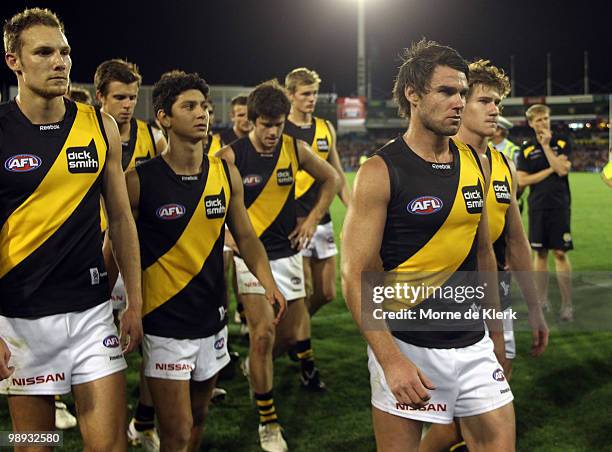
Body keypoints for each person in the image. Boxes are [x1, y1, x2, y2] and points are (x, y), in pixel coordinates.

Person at [341, 39, 514, 452]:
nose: (459, 102)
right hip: (406, 346)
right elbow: (355, 275)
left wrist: (497, 334)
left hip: (473, 346)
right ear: (413, 95)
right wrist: (390, 360)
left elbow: (484, 253)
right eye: (447, 91)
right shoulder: (379, 171)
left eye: (462, 92)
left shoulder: (476, 161)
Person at [0, 8, 142, 451]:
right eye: (43, 52)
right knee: (35, 445)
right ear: (14, 61)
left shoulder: (99, 124)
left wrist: (134, 302)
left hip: (90, 316)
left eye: (64, 51)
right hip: (21, 324)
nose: (59, 61)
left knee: (108, 446)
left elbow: (120, 219)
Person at [128, 70, 285, 452]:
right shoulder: (139, 180)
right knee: (178, 431)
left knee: (198, 420)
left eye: (204, 105)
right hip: (164, 322)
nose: (202, 113)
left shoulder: (224, 173)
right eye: (189, 106)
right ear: (163, 116)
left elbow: (246, 237)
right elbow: (116, 245)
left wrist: (269, 282)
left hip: (212, 318)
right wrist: (121, 304)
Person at [421, 59, 549, 452]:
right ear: (461, 105)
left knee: (489, 398)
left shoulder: (502, 164)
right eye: (485, 101)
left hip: (493, 289)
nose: (495, 110)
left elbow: (515, 241)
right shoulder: (436, 161)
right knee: (453, 413)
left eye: (498, 102)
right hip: (442, 298)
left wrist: (535, 306)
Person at [217, 80, 340, 451]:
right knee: (263, 335)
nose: (272, 132)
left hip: (289, 255)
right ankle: (268, 422)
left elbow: (332, 179)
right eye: (266, 124)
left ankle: (255, 366)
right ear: (251, 122)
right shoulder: (230, 157)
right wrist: (226, 235)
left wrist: (313, 218)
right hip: (252, 261)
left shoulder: (296, 149)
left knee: (290, 337)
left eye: (278, 124)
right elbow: (208, 200)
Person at [95, 57, 165, 449]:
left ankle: (143, 421)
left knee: (149, 343)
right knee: (99, 345)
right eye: (119, 97)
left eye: (132, 97)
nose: (126, 105)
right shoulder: (84, 132)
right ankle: (56, 402)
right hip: (91, 253)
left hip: (139, 252)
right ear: (99, 96)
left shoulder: (152, 138)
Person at [284, 67, 351, 317]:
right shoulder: (281, 130)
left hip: (322, 219)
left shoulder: (326, 128)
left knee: (326, 293)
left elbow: (338, 174)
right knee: (302, 289)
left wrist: (355, 211)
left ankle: (294, 329)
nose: (311, 98)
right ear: (291, 95)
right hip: (294, 222)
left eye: (314, 93)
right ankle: (301, 345)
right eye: (305, 94)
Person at [516, 104, 573, 320]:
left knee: (560, 253)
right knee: (540, 253)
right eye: (539, 120)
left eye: (546, 118)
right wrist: (551, 167)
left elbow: (563, 169)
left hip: (560, 205)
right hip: (538, 206)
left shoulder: (562, 142)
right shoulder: (527, 148)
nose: (543, 122)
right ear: (531, 123)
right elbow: (522, 180)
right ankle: (542, 301)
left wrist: (548, 147)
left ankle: (567, 305)